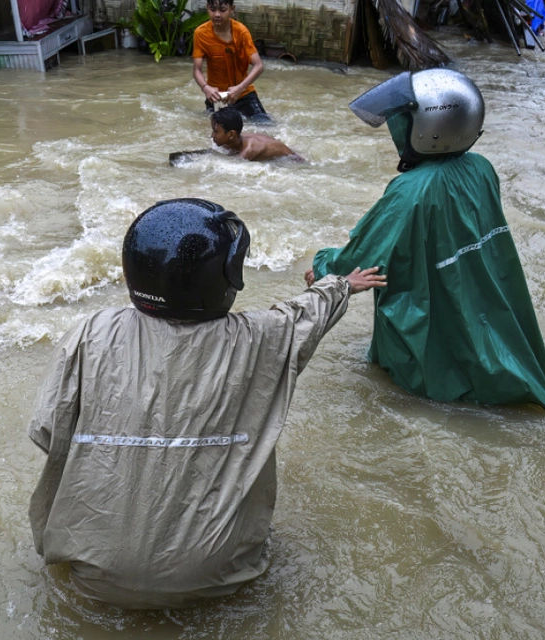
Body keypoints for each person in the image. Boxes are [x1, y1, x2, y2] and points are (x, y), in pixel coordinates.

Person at [28, 198, 385, 608]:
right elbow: (305, 314)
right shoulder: (261, 337)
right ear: (224, 279)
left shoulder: (90, 333)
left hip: (92, 578)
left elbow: (45, 430)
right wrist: (340, 284)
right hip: (219, 580)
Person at [307, 69, 545, 413]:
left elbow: (364, 255)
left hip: (428, 316)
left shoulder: (410, 189)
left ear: (429, 129)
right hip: (473, 298)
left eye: (403, 122)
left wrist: (322, 266)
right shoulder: (481, 168)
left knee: (420, 393)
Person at [192, 0, 272, 123]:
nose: (217, 14)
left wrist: (240, 88)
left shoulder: (241, 32)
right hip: (218, 96)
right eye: (213, 9)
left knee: (266, 126)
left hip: (244, 93)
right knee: (220, 136)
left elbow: (259, 65)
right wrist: (206, 88)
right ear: (207, 8)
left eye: (222, 10)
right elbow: (197, 70)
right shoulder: (200, 34)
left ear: (232, 9)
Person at [210, 107, 304, 162]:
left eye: (216, 131)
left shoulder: (250, 150)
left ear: (231, 135)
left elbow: (229, 165)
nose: (212, 135)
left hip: (294, 161)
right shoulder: (234, 139)